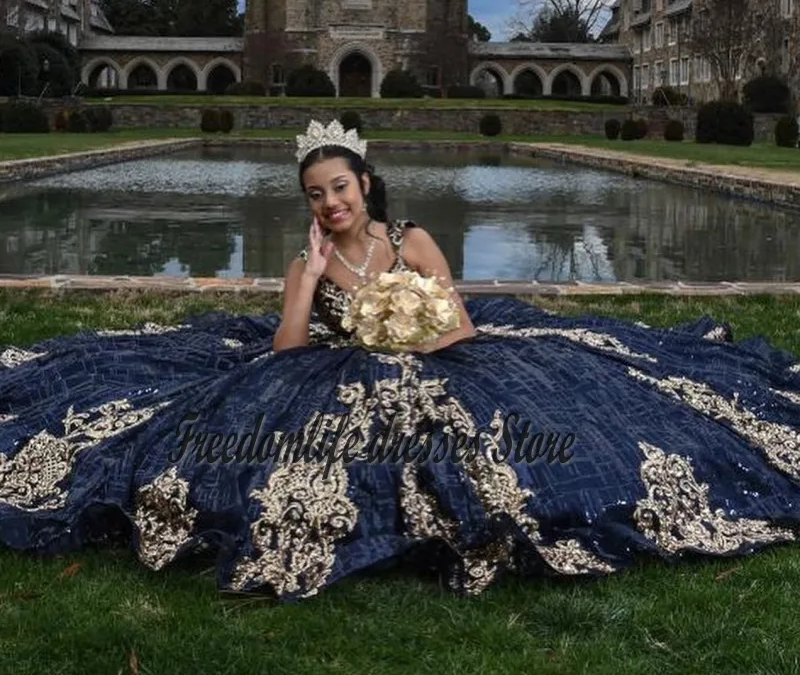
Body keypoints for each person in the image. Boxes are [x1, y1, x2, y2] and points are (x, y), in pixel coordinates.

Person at [1, 118, 800, 604]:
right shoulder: (304, 263)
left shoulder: (410, 239)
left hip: (438, 361)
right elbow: (284, 355)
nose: (329, 203)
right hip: (334, 371)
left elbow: (456, 327)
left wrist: (401, 336)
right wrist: (311, 281)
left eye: (339, 187)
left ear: (365, 184)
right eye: (315, 194)